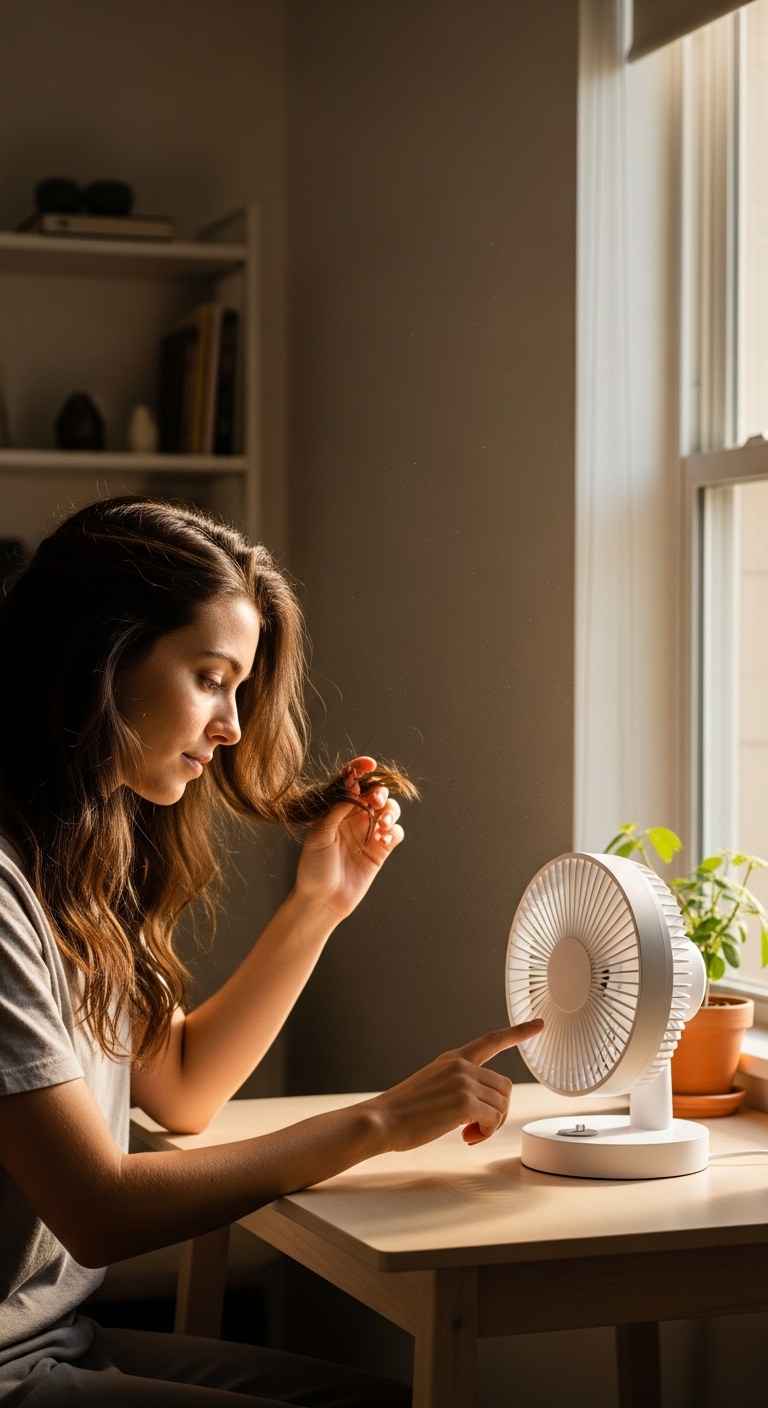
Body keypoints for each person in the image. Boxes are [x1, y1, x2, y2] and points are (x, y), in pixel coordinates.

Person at [0, 496, 542, 1406]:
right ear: (102, 656)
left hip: (58, 1339)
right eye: (211, 677)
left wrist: (318, 905)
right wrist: (382, 1121)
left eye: (240, 688)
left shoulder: (78, 862)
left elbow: (181, 1086)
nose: (233, 726)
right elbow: (95, 1211)